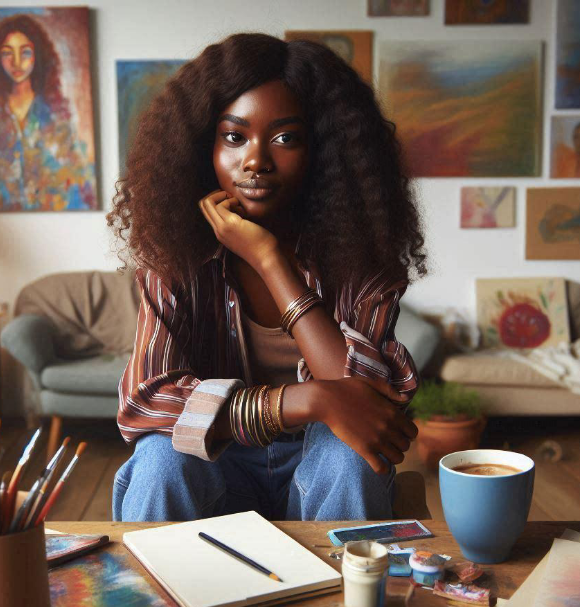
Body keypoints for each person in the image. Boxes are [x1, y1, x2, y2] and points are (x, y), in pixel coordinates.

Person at [107, 33, 428, 522]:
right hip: (216, 470)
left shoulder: (362, 260)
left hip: (319, 471)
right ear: (204, 147)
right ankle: (153, 598)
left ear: (322, 151)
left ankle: (351, 598)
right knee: (161, 459)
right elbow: (145, 401)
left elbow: (364, 408)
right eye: (235, 137)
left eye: (285, 138)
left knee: (347, 453)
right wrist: (308, 400)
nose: (255, 160)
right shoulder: (175, 260)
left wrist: (270, 260)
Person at [0, 14, 96, 212]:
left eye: (25, 53)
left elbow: (77, 175)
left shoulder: (55, 112)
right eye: (7, 53)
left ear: (37, 55)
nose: (16, 62)